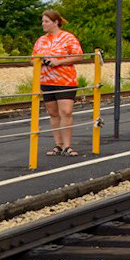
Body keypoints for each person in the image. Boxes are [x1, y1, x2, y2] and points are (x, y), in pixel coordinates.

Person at [32, 10, 83, 157]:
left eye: (46, 21)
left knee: (66, 112)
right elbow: (32, 58)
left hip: (65, 80)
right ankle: (58, 145)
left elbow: (78, 56)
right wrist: (41, 60)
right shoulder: (41, 40)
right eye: (42, 21)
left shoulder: (68, 38)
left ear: (56, 22)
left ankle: (67, 145)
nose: (43, 24)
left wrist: (58, 62)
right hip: (47, 81)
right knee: (53, 114)